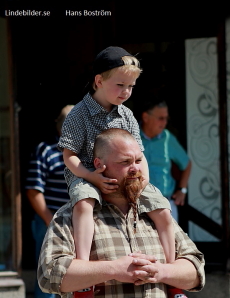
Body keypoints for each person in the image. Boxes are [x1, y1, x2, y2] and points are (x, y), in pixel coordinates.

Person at [57, 46, 181, 297]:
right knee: (84, 204)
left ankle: (172, 280)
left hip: (129, 178)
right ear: (99, 81)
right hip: (87, 175)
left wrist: (143, 181)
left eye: (131, 86)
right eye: (121, 85)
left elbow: (140, 156)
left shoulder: (127, 115)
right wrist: (91, 176)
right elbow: (68, 155)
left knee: (163, 208)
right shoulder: (78, 114)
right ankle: (84, 278)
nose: (126, 92)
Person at [38, 128, 205, 298]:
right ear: (98, 164)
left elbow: (196, 271)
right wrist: (114, 269)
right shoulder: (71, 215)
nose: (135, 168)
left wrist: (161, 272)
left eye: (138, 160)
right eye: (125, 162)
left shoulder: (156, 212)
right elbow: (49, 275)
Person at [25, 105, 74, 298]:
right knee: (48, 275)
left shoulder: (86, 152)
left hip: (77, 221)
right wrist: (50, 220)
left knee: (73, 274)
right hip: (50, 221)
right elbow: (33, 190)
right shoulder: (45, 150)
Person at [140, 94, 192, 222]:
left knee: (172, 242)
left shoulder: (167, 138)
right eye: (161, 118)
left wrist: (182, 190)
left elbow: (186, 164)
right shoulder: (131, 137)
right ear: (145, 117)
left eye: (166, 118)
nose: (165, 122)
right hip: (139, 207)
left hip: (166, 204)